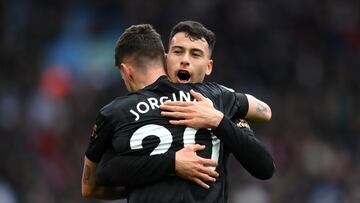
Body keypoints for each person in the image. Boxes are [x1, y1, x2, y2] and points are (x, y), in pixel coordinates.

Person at [81, 23, 274, 202]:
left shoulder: (220, 100)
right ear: (166, 59)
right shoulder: (222, 97)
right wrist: (170, 165)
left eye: (195, 54)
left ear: (209, 67)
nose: (184, 61)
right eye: (178, 52)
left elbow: (265, 166)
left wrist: (217, 120)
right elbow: (105, 173)